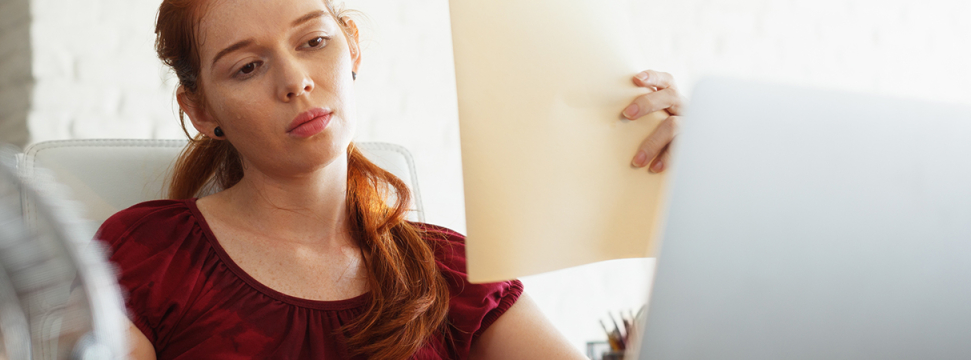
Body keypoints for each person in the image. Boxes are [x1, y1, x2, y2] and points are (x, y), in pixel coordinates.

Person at [96, 0, 687, 359]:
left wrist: (697, 192)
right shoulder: (145, 255)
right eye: (248, 67)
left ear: (351, 47)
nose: (296, 80)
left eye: (314, 41)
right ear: (201, 111)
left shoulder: (452, 274)